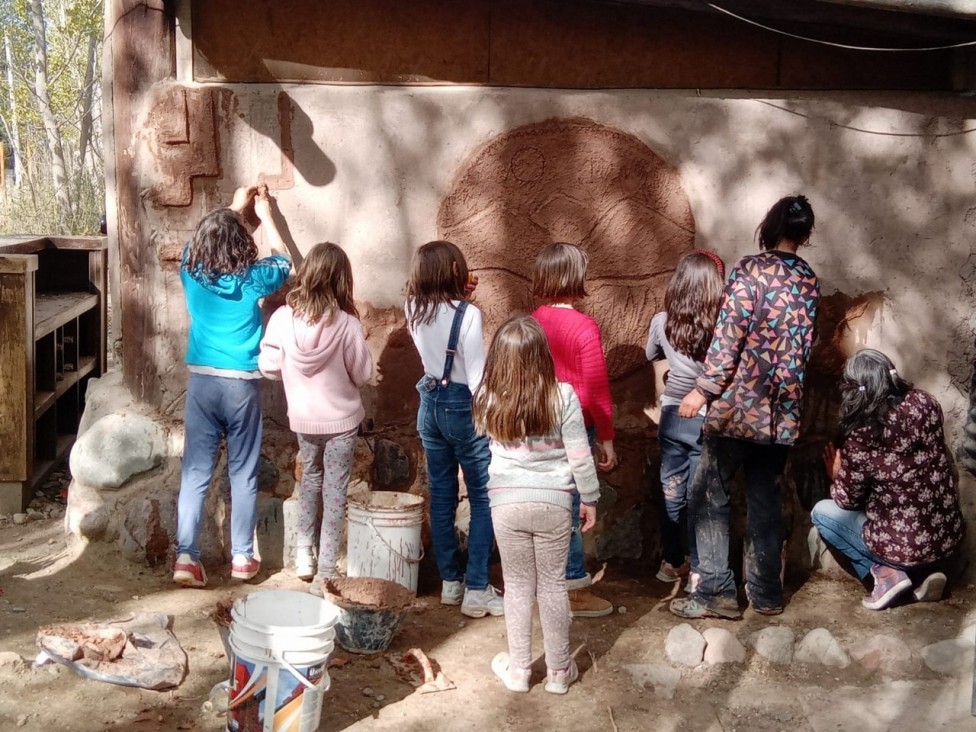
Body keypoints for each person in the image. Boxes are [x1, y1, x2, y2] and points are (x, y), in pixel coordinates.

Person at [670, 195, 820, 619]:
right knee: (765, 498)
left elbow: (728, 338)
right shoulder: (809, 280)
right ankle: (767, 593)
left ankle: (716, 591)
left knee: (709, 494)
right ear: (805, 233)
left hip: (738, 408)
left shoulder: (750, 270)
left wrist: (702, 390)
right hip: (781, 414)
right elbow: (804, 350)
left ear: (768, 227)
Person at [473, 315, 600, 695]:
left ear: (498, 359)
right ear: (543, 356)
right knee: (551, 587)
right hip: (554, 504)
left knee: (517, 587)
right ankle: (560, 671)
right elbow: (580, 456)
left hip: (506, 504)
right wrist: (590, 497)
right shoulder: (563, 397)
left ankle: (518, 671)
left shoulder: (486, 398)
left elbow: (486, 446)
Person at [173, 186, 291, 587]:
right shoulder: (253, 279)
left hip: (202, 383)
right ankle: (242, 558)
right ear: (243, 243)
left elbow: (195, 241)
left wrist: (234, 206)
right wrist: (265, 214)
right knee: (243, 472)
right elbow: (285, 262)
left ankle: (186, 558)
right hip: (241, 386)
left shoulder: (192, 271)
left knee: (195, 471)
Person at [258, 242, 372, 592]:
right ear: (342, 281)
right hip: (341, 423)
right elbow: (363, 373)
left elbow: (268, 366)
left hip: (304, 421)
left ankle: (302, 554)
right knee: (335, 490)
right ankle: (325, 569)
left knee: (310, 480)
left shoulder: (281, 320)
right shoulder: (348, 325)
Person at [812, 349, 964, 610]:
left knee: (821, 512)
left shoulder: (862, 433)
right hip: (945, 538)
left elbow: (848, 500)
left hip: (903, 544)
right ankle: (924, 576)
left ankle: (885, 575)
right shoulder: (926, 403)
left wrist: (836, 476)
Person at [405, 240, 502, 618]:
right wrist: (494, 416)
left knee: (442, 496)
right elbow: (477, 376)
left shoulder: (413, 307)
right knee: (483, 497)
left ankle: (450, 582)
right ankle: (477, 586)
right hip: (464, 404)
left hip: (429, 402)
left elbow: (432, 304)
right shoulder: (469, 314)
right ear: (457, 274)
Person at [531, 242, 616, 618]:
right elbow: (596, 389)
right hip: (575, 424)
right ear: (575, 276)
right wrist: (608, 438)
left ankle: (543, 581)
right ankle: (572, 582)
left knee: (545, 499)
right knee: (571, 504)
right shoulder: (584, 326)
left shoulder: (533, 321)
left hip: (536, 423)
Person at [645, 251, 725, 589]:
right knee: (701, 493)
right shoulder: (723, 323)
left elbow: (652, 354)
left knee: (671, 489)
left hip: (672, 413)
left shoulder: (662, 321)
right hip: (707, 412)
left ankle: (672, 561)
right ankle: (698, 566)